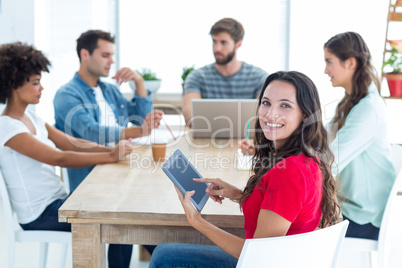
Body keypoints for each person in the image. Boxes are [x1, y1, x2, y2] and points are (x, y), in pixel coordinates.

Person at [149, 71, 340, 267]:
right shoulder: (307, 158)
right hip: (284, 259)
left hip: (265, 262)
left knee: (164, 257)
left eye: (285, 105)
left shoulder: (290, 172)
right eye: (266, 103)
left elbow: (258, 256)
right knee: (165, 253)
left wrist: (197, 221)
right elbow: (283, 206)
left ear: (305, 115)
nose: (270, 113)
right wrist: (237, 194)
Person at [0, 42, 133, 267]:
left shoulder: (31, 118)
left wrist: (111, 150)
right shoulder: (8, 127)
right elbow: (58, 157)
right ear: (13, 85)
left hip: (59, 203)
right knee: (121, 222)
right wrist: (110, 156)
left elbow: (69, 143)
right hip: (40, 216)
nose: (41, 88)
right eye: (35, 83)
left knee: (122, 210)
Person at [53, 29, 163, 193]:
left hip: (121, 165)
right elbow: (90, 131)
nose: (111, 61)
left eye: (112, 55)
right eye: (105, 55)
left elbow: (141, 119)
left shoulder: (110, 90)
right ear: (85, 55)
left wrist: (139, 81)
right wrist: (140, 131)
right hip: (92, 178)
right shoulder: (66, 95)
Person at [323, 32, 395, 240]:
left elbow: (330, 161)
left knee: (296, 231)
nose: (325, 70)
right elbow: (323, 139)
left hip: (364, 219)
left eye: (329, 62)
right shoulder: (353, 101)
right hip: (354, 209)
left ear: (350, 63)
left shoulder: (368, 109)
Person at [182, 18, 268, 124]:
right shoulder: (197, 77)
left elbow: (265, 116)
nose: (217, 48)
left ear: (238, 44)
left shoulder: (259, 77)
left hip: (247, 140)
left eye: (223, 43)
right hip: (206, 139)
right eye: (214, 41)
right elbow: (189, 115)